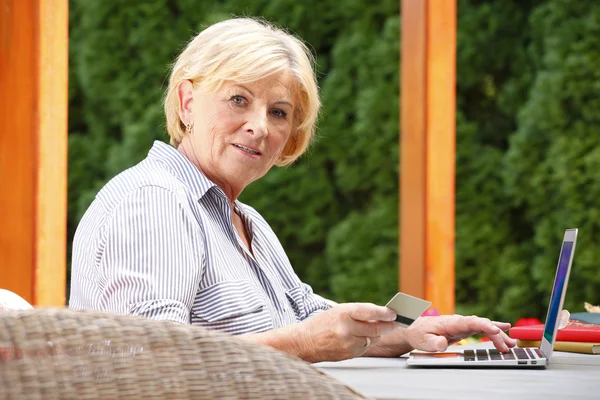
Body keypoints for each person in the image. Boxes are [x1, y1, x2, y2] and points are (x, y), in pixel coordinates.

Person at [69, 17, 515, 363]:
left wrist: (403, 333)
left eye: (279, 112)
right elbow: (148, 359)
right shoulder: (155, 200)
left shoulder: (246, 221)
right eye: (239, 99)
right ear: (187, 102)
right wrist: (303, 343)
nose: (260, 127)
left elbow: (304, 315)